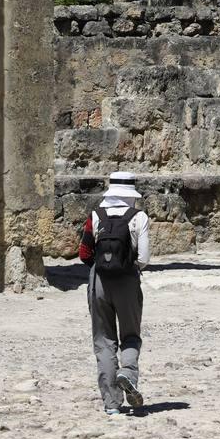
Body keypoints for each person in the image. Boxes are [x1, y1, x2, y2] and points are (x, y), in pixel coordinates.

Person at [78, 171, 150, 415]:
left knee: (104, 340)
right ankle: (127, 373)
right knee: (130, 335)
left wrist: (103, 269)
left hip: (99, 281)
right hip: (128, 280)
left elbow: (85, 253)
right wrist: (125, 269)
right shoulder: (139, 217)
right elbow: (144, 258)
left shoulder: (95, 216)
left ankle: (112, 404)